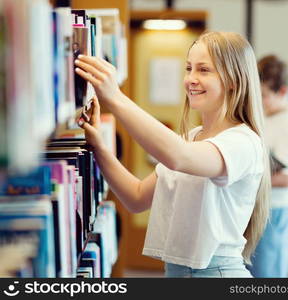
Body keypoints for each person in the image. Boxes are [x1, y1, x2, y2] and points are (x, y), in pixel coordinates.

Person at [75, 31, 271, 278]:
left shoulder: (243, 142)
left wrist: (115, 98)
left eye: (204, 70)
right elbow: (136, 198)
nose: (191, 79)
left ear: (233, 80)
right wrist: (100, 148)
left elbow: (179, 157)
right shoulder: (192, 137)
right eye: (189, 68)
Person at [249, 55, 288, 278]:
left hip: (277, 210)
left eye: (264, 95)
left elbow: (287, 178)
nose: (258, 100)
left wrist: (244, 180)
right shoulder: (261, 116)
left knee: (268, 275)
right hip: (254, 207)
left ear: (283, 92)